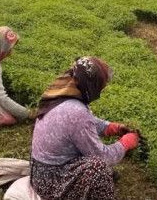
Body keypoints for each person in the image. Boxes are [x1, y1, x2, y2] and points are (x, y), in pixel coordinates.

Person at [30, 56, 139, 200]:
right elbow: (104, 157)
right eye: (101, 86)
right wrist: (125, 143)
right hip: (50, 183)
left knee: (92, 159)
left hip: (39, 173)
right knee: (98, 167)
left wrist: (110, 127)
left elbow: (77, 122)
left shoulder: (61, 92)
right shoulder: (77, 112)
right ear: (91, 85)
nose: (101, 91)